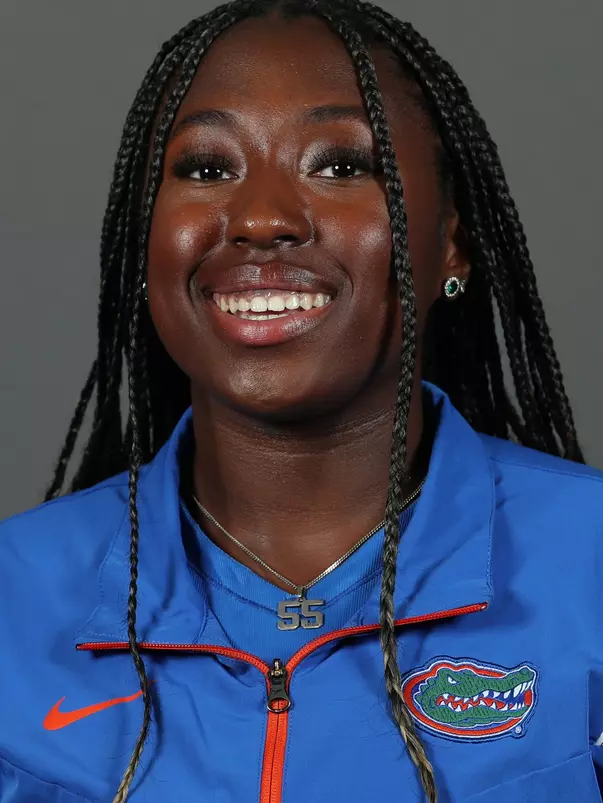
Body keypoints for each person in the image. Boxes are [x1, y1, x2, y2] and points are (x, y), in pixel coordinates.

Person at [1, 0, 601, 800]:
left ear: (450, 240)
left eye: (342, 165)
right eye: (206, 168)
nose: (259, 219)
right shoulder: (14, 598)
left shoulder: (587, 568)